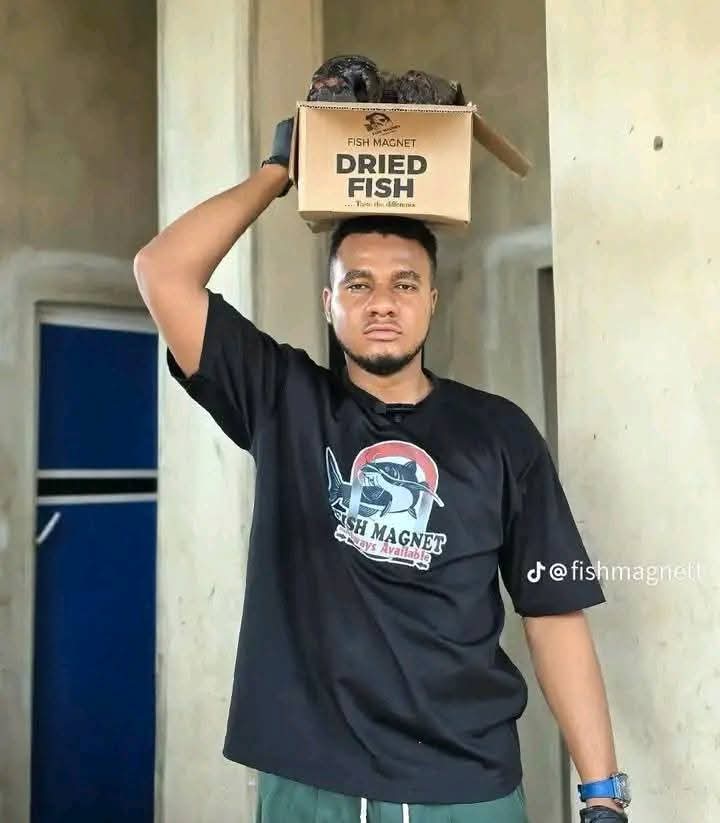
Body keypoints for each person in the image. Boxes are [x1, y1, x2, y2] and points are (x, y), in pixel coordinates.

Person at [134, 119, 631, 823]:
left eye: (404, 283)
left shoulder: (500, 434)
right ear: (329, 302)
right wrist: (277, 173)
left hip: (466, 788)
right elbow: (162, 272)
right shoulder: (282, 400)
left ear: (431, 299)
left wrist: (603, 794)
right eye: (358, 284)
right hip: (311, 786)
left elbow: (553, 612)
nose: (382, 303)